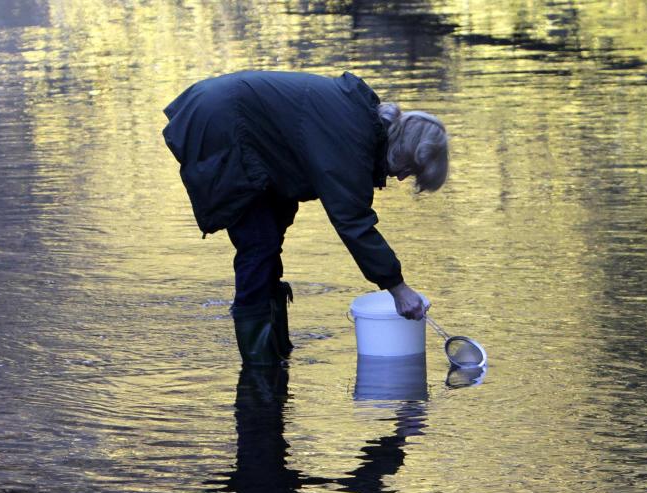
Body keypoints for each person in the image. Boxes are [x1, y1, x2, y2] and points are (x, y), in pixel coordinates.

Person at [162, 71, 448, 366]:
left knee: (269, 238)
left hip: (237, 123)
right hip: (220, 122)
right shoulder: (350, 136)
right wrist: (398, 288)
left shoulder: (360, 125)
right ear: (403, 147)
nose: (401, 178)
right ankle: (258, 368)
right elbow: (353, 222)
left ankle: (276, 354)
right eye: (409, 169)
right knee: (258, 244)